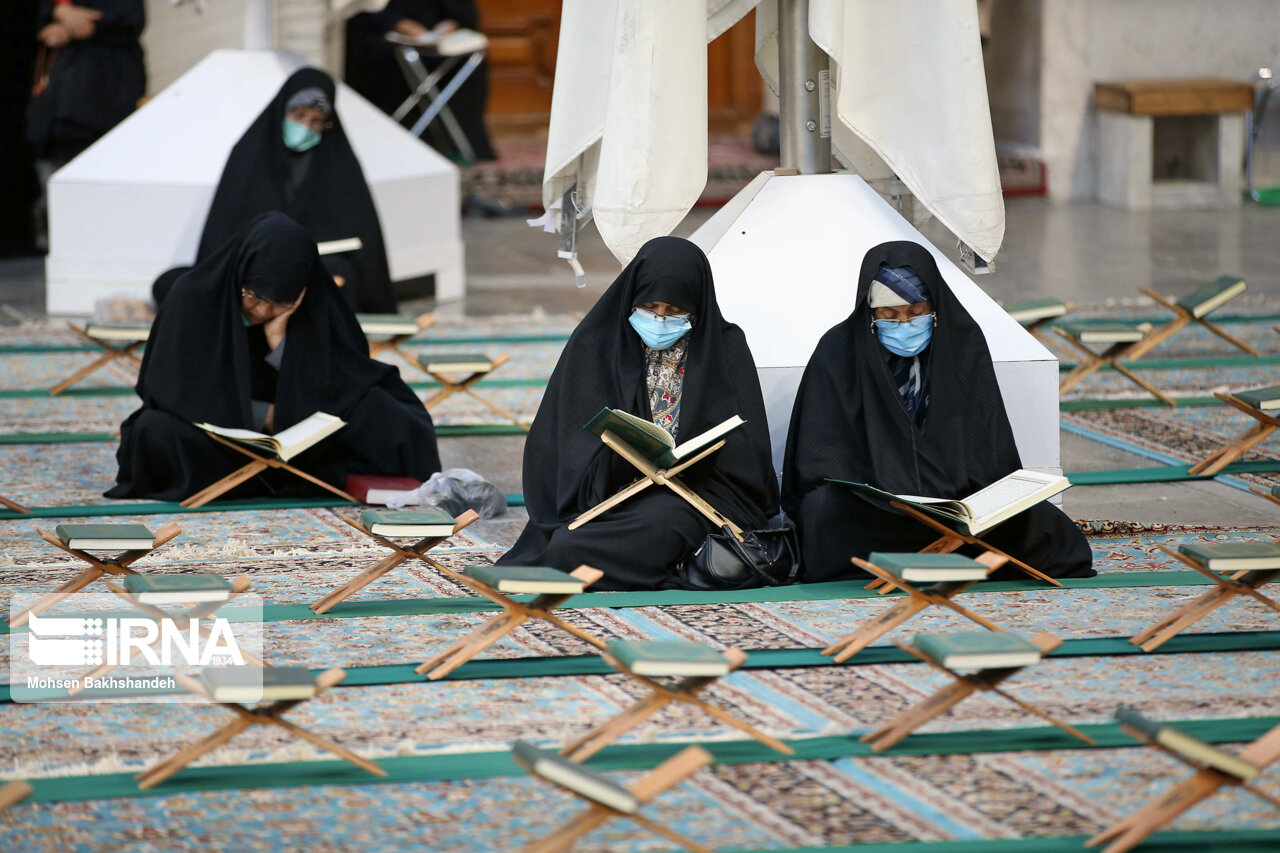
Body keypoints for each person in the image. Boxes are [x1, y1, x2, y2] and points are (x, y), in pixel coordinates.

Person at [781, 240, 1094, 582]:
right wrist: (883, 482)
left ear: (935, 306)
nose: (904, 324)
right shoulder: (838, 352)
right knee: (821, 511)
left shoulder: (963, 343)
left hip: (958, 502)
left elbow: (988, 438)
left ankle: (937, 546)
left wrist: (956, 492)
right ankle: (956, 552)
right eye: (889, 316)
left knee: (1051, 532)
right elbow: (820, 454)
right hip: (877, 509)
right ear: (870, 313)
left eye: (915, 312)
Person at [498, 237, 779, 590]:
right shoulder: (595, 344)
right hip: (606, 493)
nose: (660, 320)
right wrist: (622, 458)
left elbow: (748, 448)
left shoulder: (725, 347)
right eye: (650, 306)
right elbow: (562, 448)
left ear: (696, 308)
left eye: (674, 311)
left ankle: (673, 565)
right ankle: (676, 567)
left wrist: (696, 458)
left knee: (658, 524)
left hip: (694, 493)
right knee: (566, 544)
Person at [108, 212, 441, 502]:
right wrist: (264, 415)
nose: (262, 310)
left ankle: (266, 477)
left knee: (386, 410)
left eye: (279, 303)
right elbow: (167, 388)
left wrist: (279, 344)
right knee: (152, 432)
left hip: (300, 439)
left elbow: (342, 381)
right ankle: (277, 477)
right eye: (253, 296)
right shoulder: (193, 298)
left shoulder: (317, 304)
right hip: (218, 439)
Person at [176, 67, 397, 313]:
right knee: (176, 283)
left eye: (316, 122)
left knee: (337, 271)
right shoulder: (249, 155)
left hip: (314, 266)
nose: (305, 127)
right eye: (298, 116)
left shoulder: (337, 161)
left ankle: (324, 346)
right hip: (257, 263)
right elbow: (224, 230)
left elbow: (361, 234)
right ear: (283, 111)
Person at [345, 0, 496, 163]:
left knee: (471, 60)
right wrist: (401, 24)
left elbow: (462, 11)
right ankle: (392, 142)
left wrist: (448, 25)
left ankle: (455, 145)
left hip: (436, 33)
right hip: (386, 33)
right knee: (376, 55)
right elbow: (362, 10)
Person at [26, 0, 145, 166]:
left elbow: (131, 17)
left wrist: (70, 28)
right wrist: (58, 11)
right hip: (50, 124)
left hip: (102, 110)